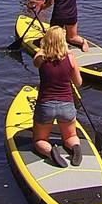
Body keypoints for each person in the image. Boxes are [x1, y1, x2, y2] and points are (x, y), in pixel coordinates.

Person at [31, 24, 83, 167]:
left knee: (39, 140)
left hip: (45, 106)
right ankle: (75, 147)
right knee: (71, 136)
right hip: (67, 105)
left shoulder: (41, 58)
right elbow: (78, 83)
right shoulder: (71, 58)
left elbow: (36, 60)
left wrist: (45, 46)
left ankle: (50, 151)